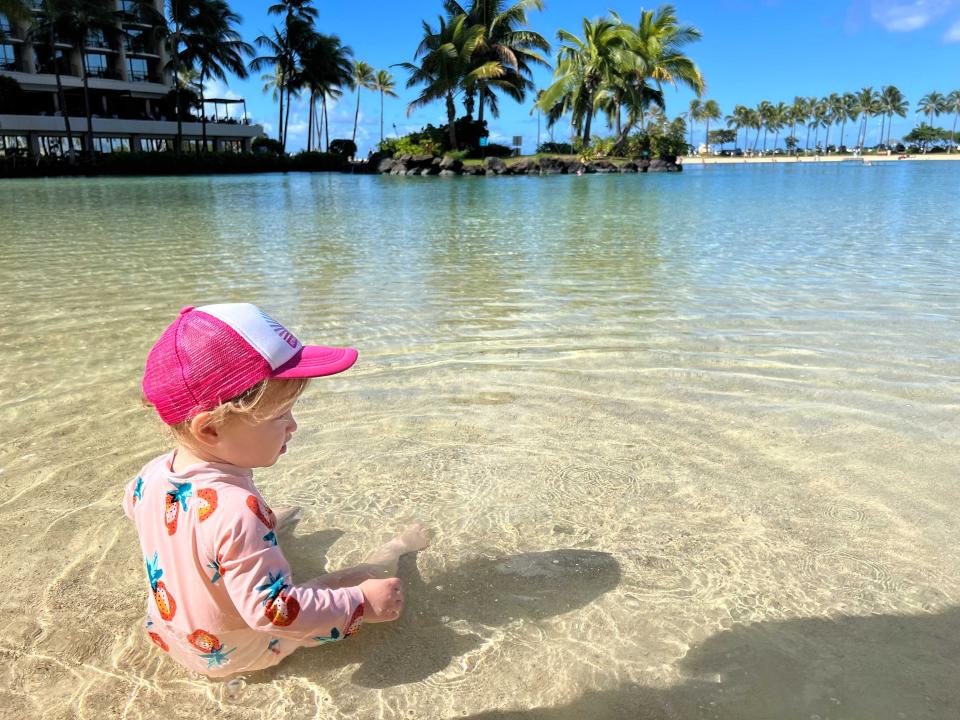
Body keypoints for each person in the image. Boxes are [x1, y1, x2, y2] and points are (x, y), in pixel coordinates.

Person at [124, 303, 430, 677]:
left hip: (171, 635)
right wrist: (360, 602)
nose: (294, 426)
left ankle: (259, 536)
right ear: (211, 430)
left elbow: (144, 515)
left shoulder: (150, 475)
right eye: (280, 415)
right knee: (355, 578)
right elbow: (274, 614)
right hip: (241, 653)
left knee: (228, 534)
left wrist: (229, 538)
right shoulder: (237, 509)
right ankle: (397, 549)